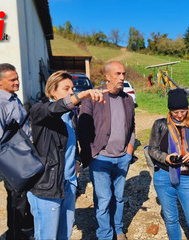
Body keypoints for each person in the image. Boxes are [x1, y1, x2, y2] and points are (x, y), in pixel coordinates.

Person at [27, 70, 107, 240]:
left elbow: (70, 143)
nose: (72, 91)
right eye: (66, 88)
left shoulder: (70, 116)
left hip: (68, 183)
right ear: (52, 91)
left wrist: (77, 160)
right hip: (47, 187)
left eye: (72, 88)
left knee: (65, 234)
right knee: (47, 236)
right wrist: (82, 95)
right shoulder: (40, 111)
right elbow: (56, 108)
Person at [78, 61, 135, 240]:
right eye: (117, 74)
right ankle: (105, 234)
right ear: (107, 76)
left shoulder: (127, 99)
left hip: (122, 158)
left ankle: (117, 229)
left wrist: (130, 150)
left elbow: (132, 126)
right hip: (101, 159)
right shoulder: (94, 97)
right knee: (104, 199)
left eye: (123, 74)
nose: (122, 77)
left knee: (118, 197)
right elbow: (82, 129)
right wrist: (92, 153)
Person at [148, 88, 189, 240]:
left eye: (183, 111)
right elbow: (152, 149)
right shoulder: (160, 125)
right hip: (164, 176)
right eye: (175, 112)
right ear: (169, 110)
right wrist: (165, 158)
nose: (179, 115)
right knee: (171, 218)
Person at [0, 63, 34, 239]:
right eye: (12, 79)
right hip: (14, 161)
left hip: (26, 156)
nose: (17, 82)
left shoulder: (15, 99)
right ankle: (15, 235)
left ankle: (24, 230)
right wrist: (12, 169)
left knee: (23, 199)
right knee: (16, 201)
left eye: (17, 78)